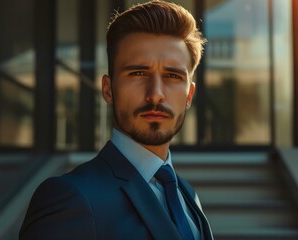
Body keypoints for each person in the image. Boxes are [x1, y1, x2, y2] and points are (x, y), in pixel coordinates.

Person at [19, 1, 213, 239]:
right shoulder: (71, 197)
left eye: (172, 76)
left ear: (189, 95)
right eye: (138, 73)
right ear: (108, 89)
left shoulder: (187, 195)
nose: (155, 93)